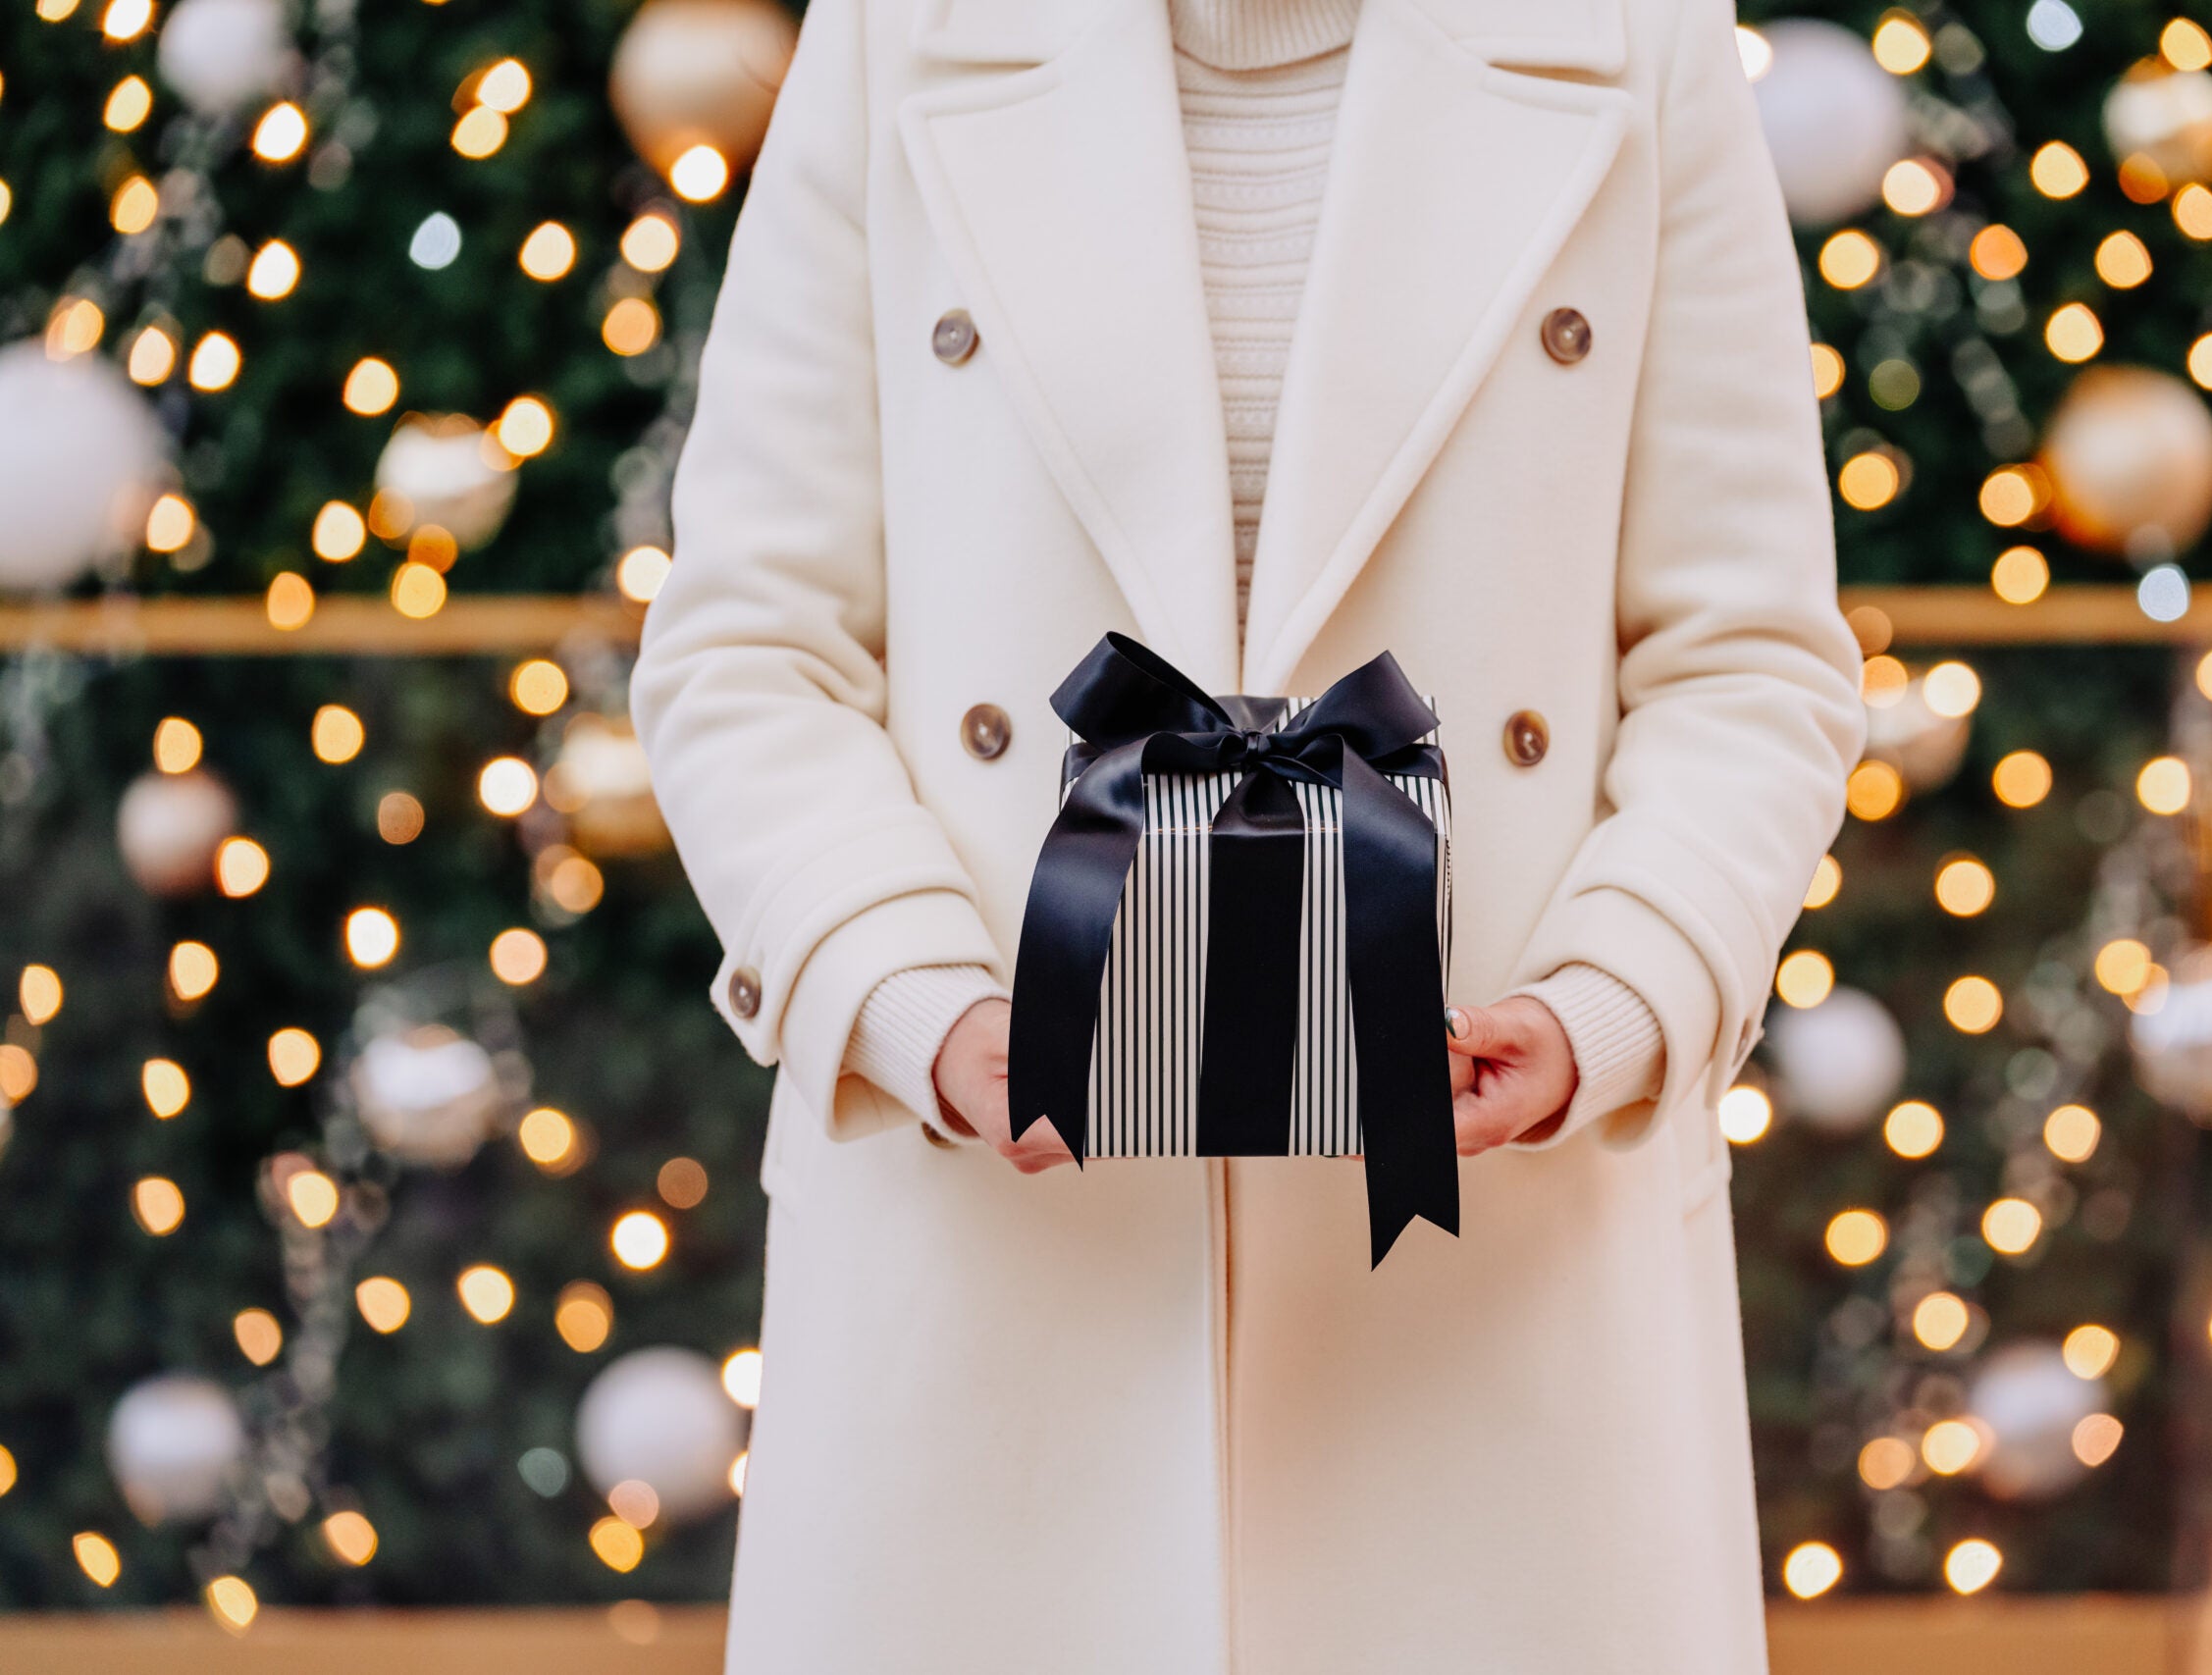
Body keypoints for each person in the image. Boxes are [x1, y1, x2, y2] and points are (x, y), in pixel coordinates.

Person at [629, 0, 1863, 1668]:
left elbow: (1749, 659)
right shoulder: (900, 31)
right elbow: (747, 650)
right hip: (998, 1270)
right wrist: (921, 1009)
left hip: (1489, 1278)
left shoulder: (1632, 34)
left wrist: (1607, 1005)